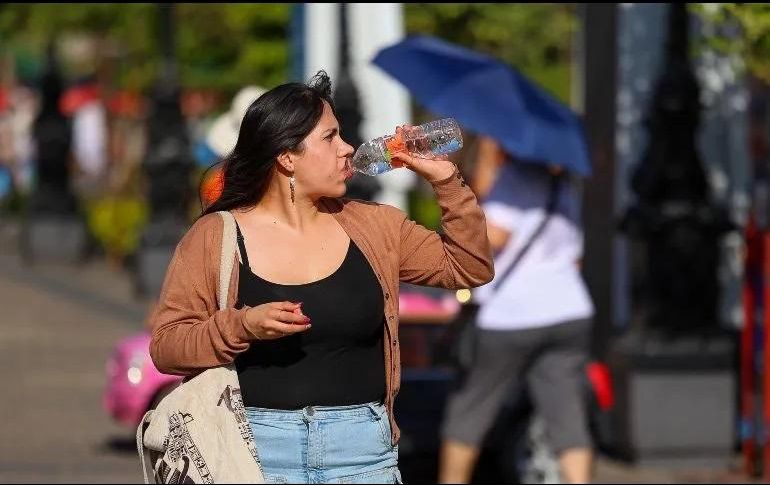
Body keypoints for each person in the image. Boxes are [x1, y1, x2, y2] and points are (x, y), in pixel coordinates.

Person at [149, 70, 494, 484]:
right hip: (254, 455)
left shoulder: (375, 227)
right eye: (330, 138)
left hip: (363, 456)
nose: (348, 148)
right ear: (286, 157)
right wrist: (242, 326)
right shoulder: (216, 236)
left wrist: (447, 182)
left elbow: (469, 266)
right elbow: (168, 346)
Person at [438, 136, 595, 484]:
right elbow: (575, 256)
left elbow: (492, 237)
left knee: (470, 411)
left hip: (513, 315)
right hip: (569, 310)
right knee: (566, 416)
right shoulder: (563, 186)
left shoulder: (515, 178)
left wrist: (458, 207)